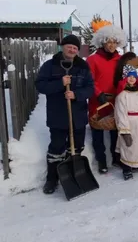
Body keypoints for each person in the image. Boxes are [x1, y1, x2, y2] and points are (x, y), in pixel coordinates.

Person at [35, 35, 94, 194]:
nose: (72, 50)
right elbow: (40, 85)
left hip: (78, 116)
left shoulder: (83, 66)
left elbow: (90, 88)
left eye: (75, 48)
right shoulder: (50, 65)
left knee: (76, 147)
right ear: (63, 47)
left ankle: (72, 174)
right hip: (58, 115)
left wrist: (76, 94)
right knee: (56, 149)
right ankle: (52, 179)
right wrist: (59, 84)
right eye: (69, 46)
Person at [86, 24, 125, 174]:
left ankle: (115, 157)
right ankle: (101, 160)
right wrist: (98, 93)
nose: (111, 45)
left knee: (115, 130)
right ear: (102, 42)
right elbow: (90, 80)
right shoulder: (92, 59)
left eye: (114, 42)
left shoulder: (120, 60)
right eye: (108, 41)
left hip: (116, 101)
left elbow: (126, 78)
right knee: (98, 131)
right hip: (98, 101)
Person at [114, 65, 138, 180]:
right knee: (128, 146)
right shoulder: (122, 95)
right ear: (125, 78)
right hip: (129, 124)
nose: (132, 79)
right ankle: (126, 168)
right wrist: (125, 131)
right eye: (129, 77)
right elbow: (120, 114)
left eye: (134, 77)